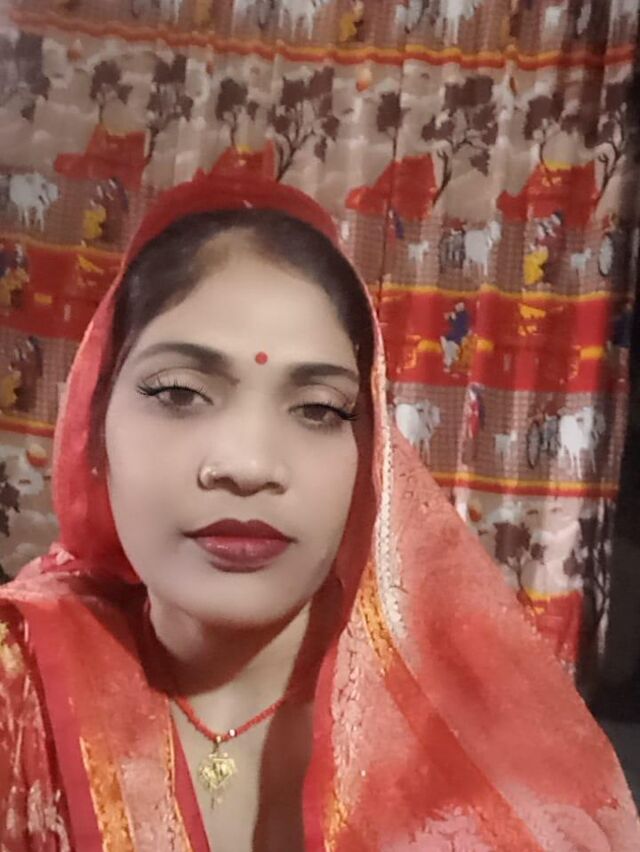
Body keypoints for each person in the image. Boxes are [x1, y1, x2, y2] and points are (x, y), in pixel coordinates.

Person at [0, 173, 638, 851]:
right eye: (180, 393)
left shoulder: (485, 759)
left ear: (373, 459)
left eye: (318, 409)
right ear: (93, 428)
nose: (249, 464)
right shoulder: (23, 689)